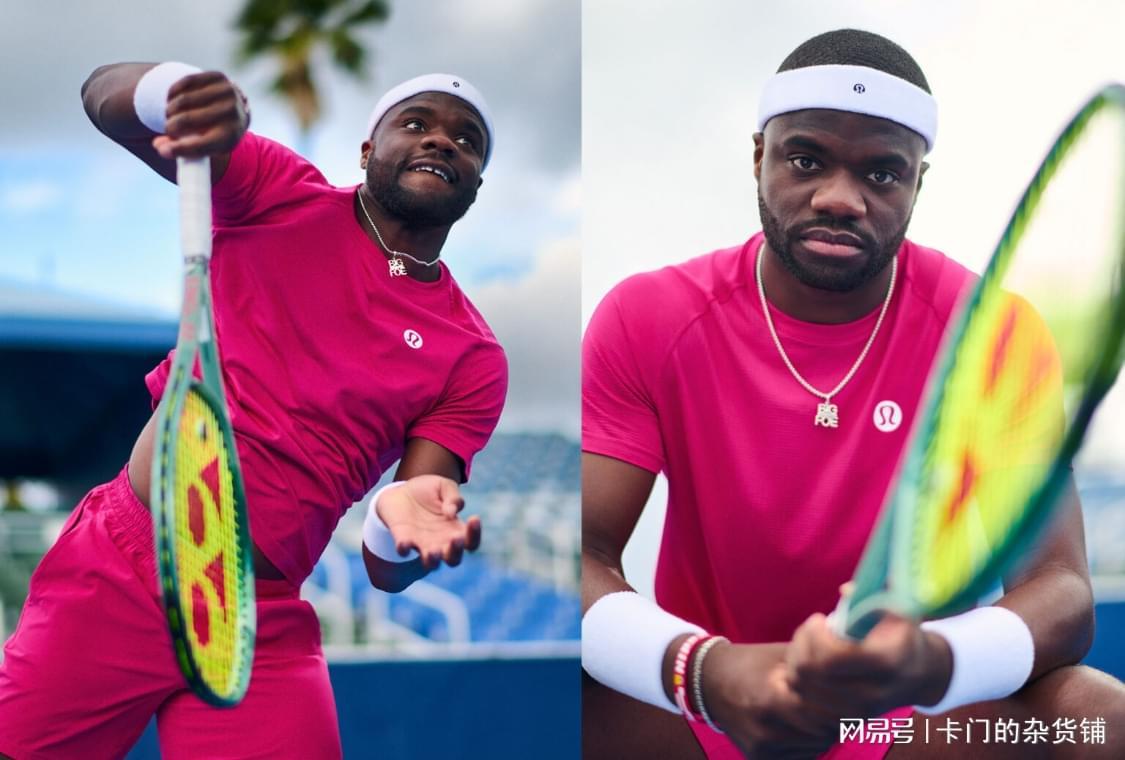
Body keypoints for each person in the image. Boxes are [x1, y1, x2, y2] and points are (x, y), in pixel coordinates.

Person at [581, 28, 1125, 760]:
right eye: (806, 159)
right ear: (759, 157)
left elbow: (1061, 587)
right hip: (703, 698)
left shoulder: (992, 333)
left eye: (882, 173)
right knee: (558, 697)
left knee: (1095, 720)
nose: (840, 199)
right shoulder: (648, 315)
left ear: (917, 184)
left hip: (900, 717)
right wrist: (703, 671)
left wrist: (932, 662)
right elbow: (583, 555)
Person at [0, 62, 507, 758]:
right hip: (122, 567)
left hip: (258, 622)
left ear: (476, 184)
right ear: (367, 151)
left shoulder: (474, 357)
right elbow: (100, 98)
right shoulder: (278, 190)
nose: (442, 140)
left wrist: (399, 524)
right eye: (415, 123)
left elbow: (387, 563)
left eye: (467, 140)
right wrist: (175, 90)